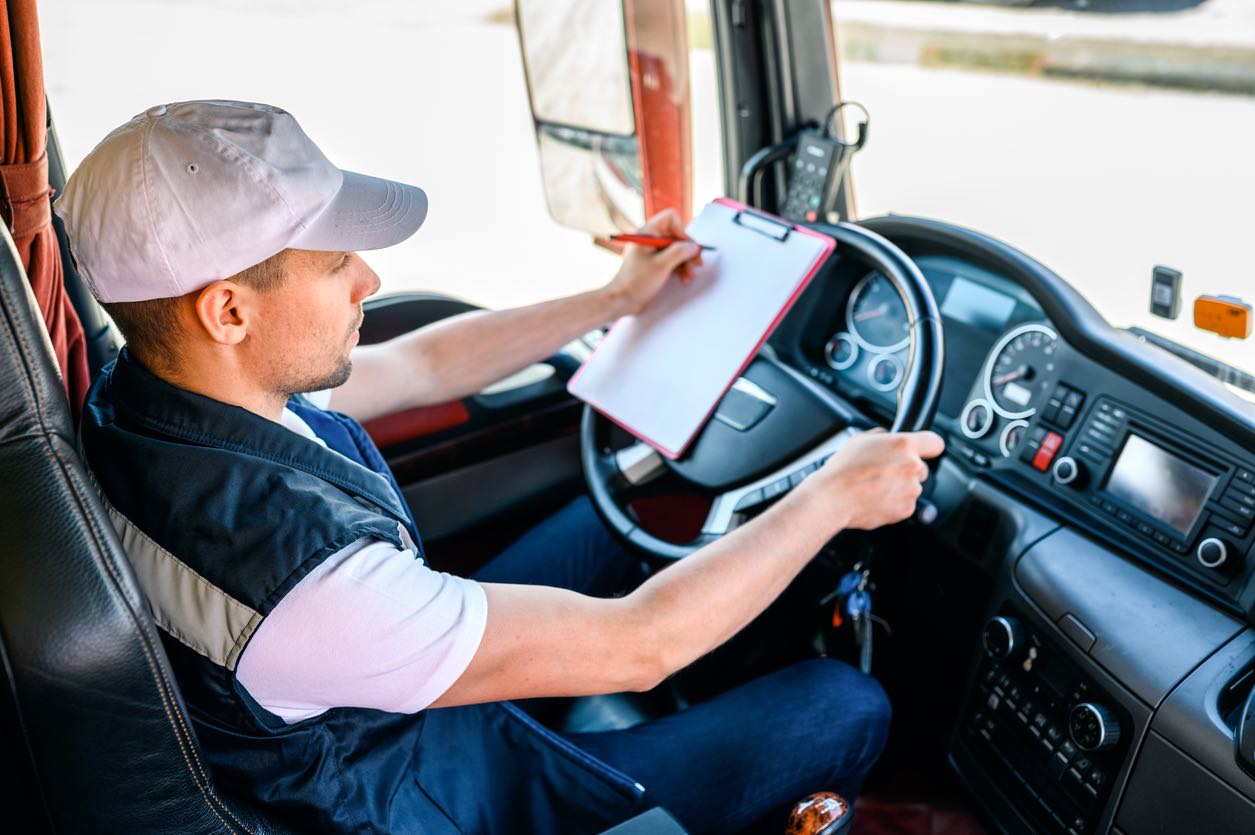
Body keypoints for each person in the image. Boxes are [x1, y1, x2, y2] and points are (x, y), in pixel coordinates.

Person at [62, 100, 944, 835]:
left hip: (388, 717)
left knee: (608, 517)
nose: (369, 277)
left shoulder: (152, 397)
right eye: (334, 265)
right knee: (842, 701)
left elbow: (424, 367)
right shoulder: (306, 584)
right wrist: (832, 495)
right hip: (425, 799)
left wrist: (613, 300)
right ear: (227, 310)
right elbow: (642, 647)